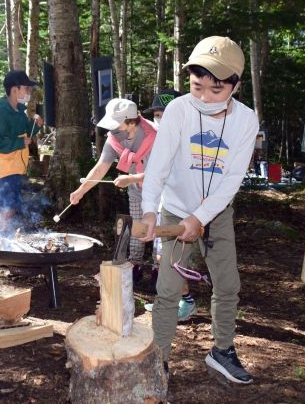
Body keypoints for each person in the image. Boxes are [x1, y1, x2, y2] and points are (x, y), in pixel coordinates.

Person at [139, 36, 259, 384]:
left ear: (236, 85)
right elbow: (158, 166)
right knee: (168, 290)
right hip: (175, 212)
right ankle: (157, 359)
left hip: (218, 214)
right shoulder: (178, 110)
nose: (204, 97)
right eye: (196, 87)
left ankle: (222, 351)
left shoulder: (246, 121)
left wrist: (201, 218)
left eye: (216, 89)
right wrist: (150, 212)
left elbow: (232, 179)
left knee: (227, 285)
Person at [70, 98, 157, 271]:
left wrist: (131, 179)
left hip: (164, 193)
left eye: (116, 124)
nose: (112, 129)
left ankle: (158, 270)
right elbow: (100, 168)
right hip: (137, 191)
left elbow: (163, 173)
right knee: (137, 227)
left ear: (131, 123)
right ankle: (135, 266)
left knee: (159, 233)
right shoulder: (114, 139)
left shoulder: (156, 135)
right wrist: (81, 191)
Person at [140, 90, 197, 322]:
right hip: (163, 207)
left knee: (172, 258)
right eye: (156, 114)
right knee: (162, 258)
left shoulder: (189, 140)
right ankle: (168, 301)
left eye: (164, 113)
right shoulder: (159, 139)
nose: (159, 118)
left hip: (181, 211)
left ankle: (187, 301)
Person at [0, 70, 42, 232]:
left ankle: (4, 237)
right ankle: (1, 238)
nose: (29, 92)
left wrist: (34, 127)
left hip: (14, 168)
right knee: (9, 208)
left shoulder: (19, 112)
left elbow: (24, 135)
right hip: (3, 171)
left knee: (12, 207)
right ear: (15, 90)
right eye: (26, 89)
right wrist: (19, 142)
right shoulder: (1, 111)